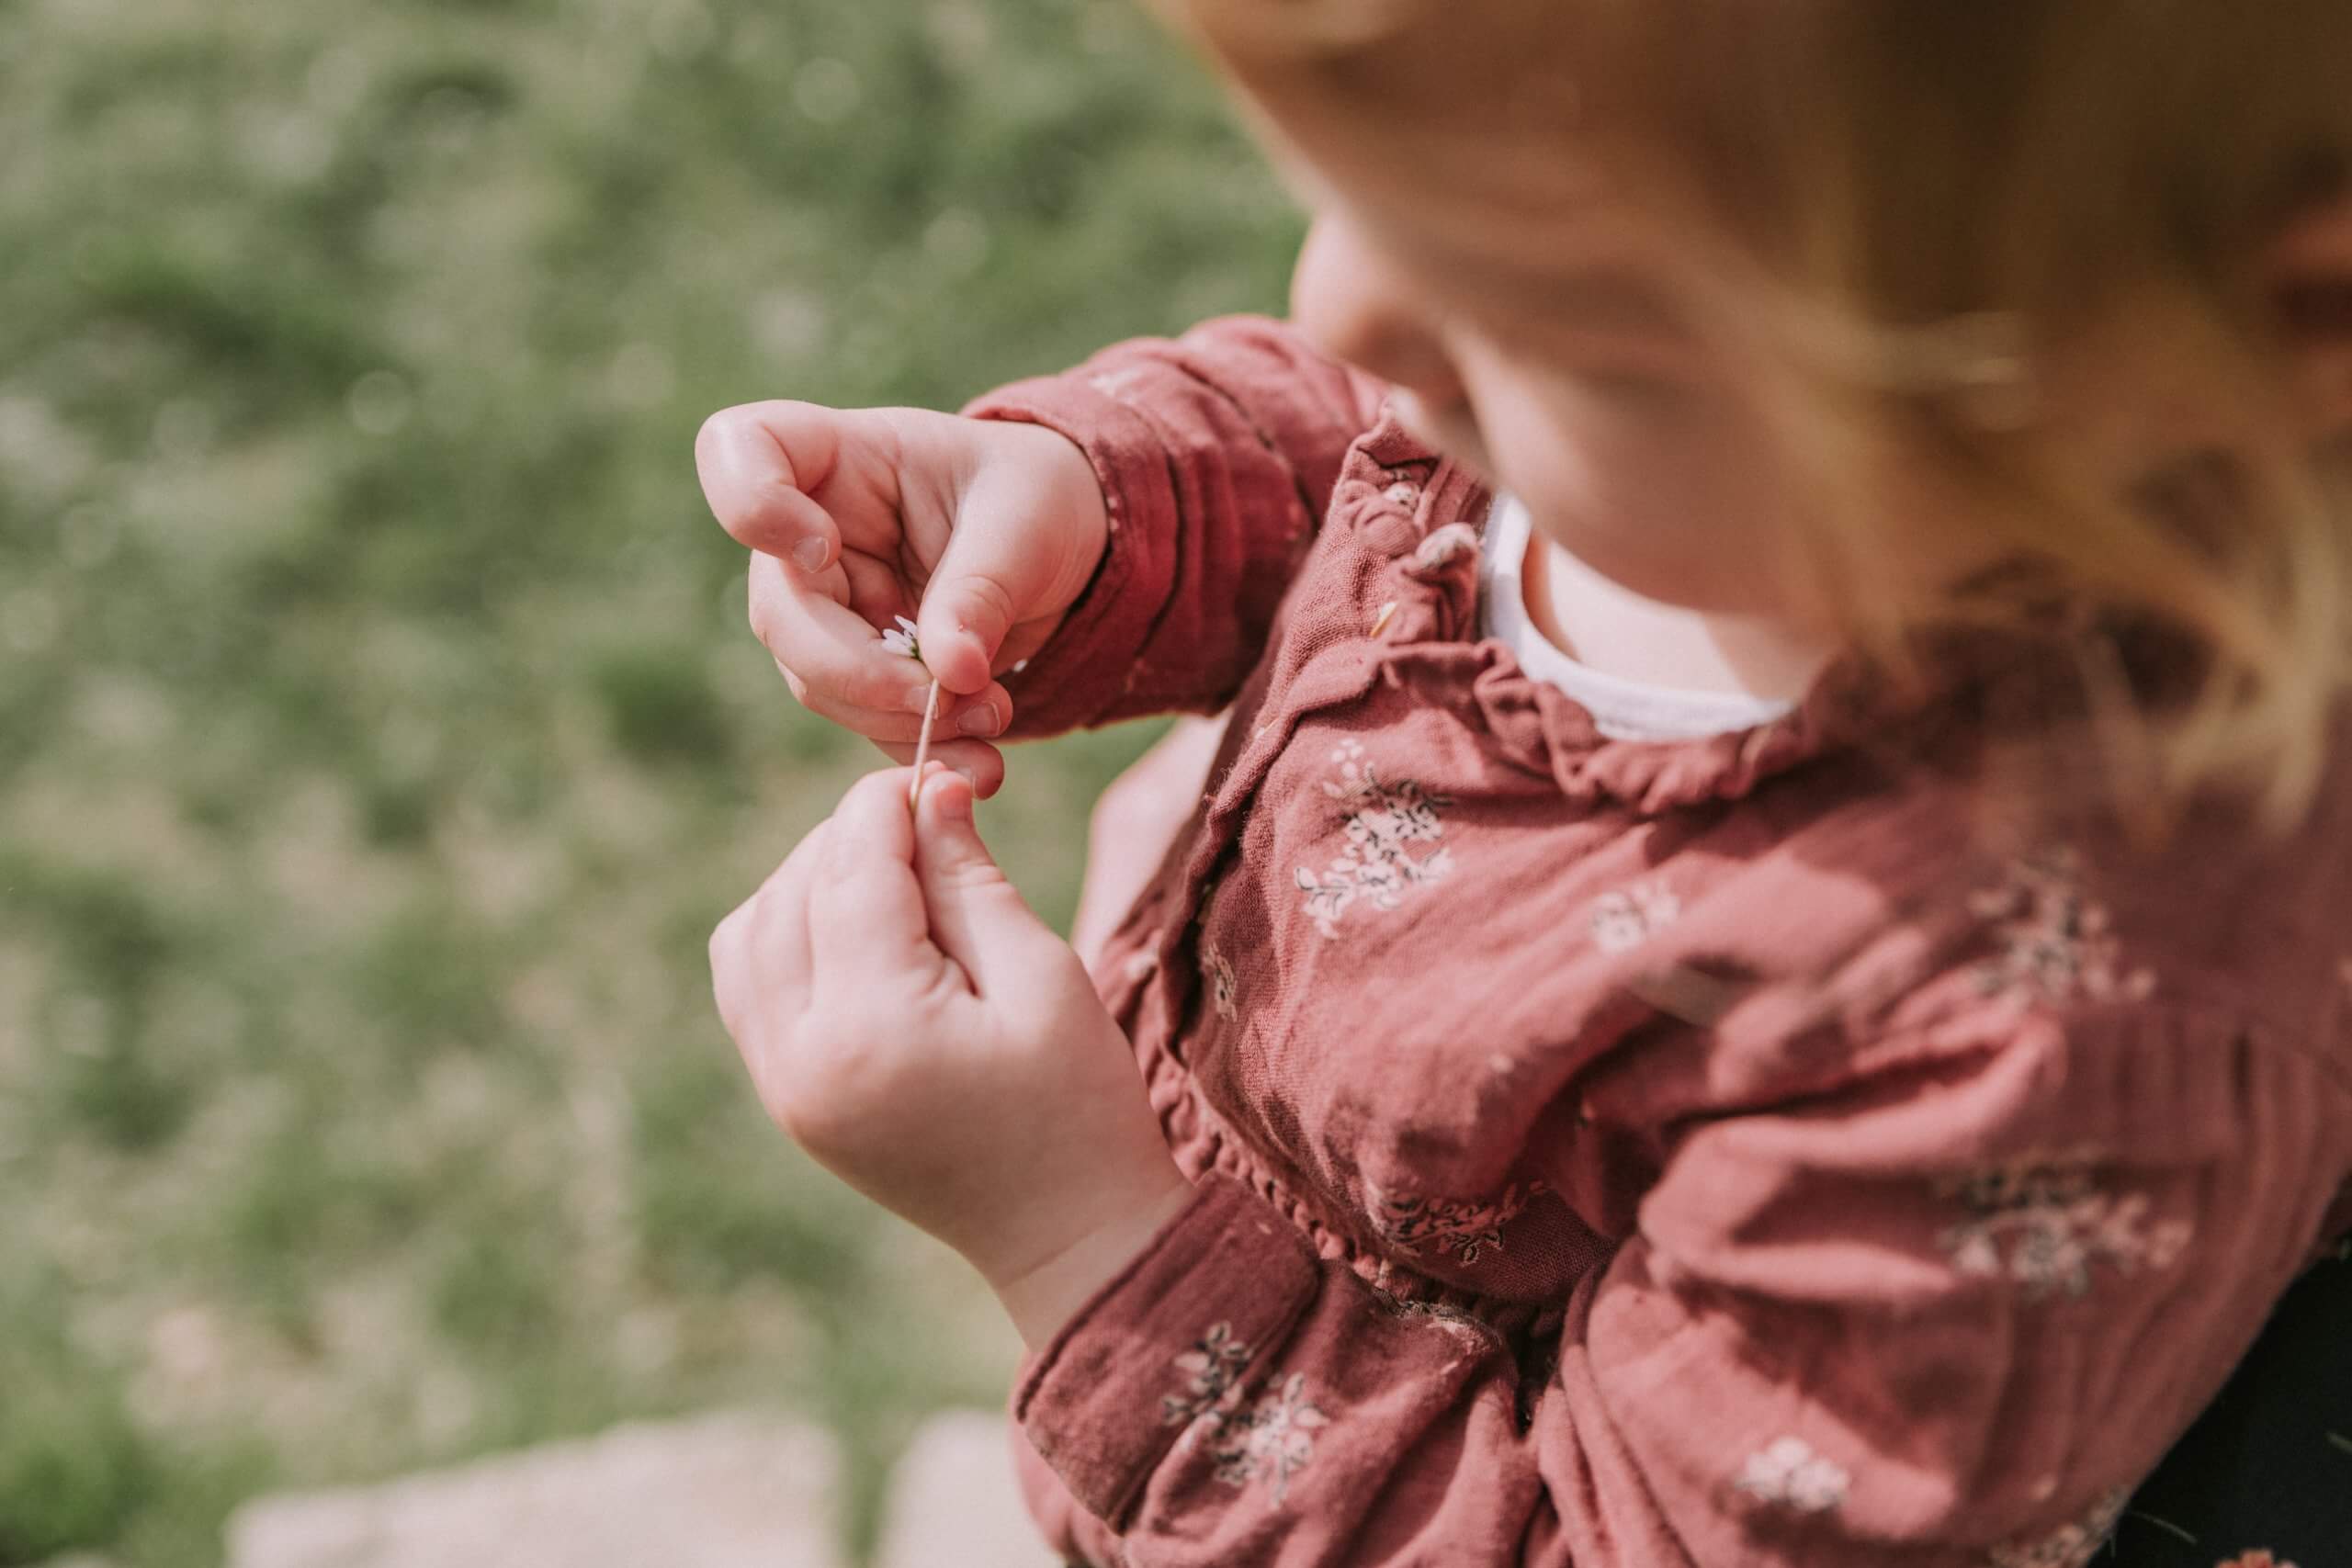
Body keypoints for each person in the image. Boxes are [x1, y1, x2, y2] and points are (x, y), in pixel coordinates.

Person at [695, 2, 2352, 1562]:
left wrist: (1082, 1236)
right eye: (1367, 208)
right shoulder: (1811, 437)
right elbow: (1378, 441)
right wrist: (1092, 504)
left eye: (1548, 324)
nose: (1351, 310)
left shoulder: (2027, 1048)